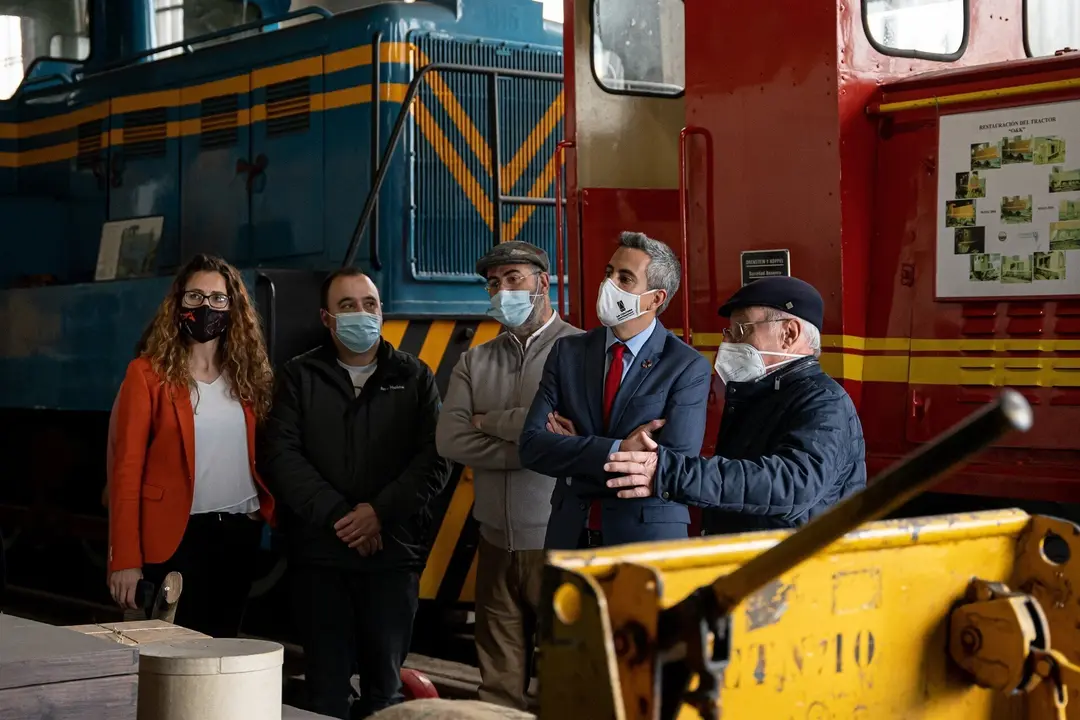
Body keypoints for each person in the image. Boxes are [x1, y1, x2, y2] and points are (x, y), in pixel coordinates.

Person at [258, 267, 452, 720]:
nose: (361, 313)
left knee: (385, 693)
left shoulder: (415, 376)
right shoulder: (299, 376)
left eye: (369, 304)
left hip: (392, 556)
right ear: (327, 318)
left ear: (381, 311)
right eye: (347, 306)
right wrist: (342, 517)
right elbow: (282, 457)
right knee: (326, 692)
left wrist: (378, 513)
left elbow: (435, 458)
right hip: (320, 557)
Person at [435, 242, 582, 710]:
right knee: (497, 687)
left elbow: (578, 434)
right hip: (494, 543)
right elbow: (450, 441)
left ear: (543, 282)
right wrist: (540, 445)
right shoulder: (475, 360)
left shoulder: (580, 351)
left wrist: (487, 421)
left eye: (514, 278)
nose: (503, 291)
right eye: (494, 283)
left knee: (567, 680)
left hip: (557, 543)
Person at [602, 276, 867, 532]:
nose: (726, 343)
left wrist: (670, 473)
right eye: (728, 332)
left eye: (741, 330)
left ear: (789, 333)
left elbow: (792, 484)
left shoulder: (824, 403)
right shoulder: (760, 395)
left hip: (795, 561)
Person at [108, 254, 276, 638]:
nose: (206, 307)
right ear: (178, 303)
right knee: (172, 652)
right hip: (176, 537)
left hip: (238, 534)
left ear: (233, 308)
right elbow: (126, 470)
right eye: (195, 296)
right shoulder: (146, 374)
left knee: (223, 650)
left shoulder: (249, 376)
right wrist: (124, 559)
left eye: (218, 298)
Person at [519, 231, 712, 549]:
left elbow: (671, 465)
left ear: (655, 299)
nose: (609, 285)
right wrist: (619, 448)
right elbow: (531, 446)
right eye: (609, 273)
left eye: (625, 278)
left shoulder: (687, 366)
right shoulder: (568, 352)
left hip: (644, 542)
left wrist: (576, 449)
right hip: (571, 535)